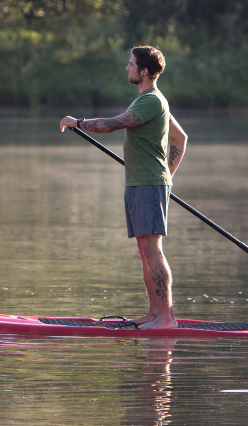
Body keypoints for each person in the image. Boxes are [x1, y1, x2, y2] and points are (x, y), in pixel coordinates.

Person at [60, 45, 187, 329]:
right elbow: (181, 138)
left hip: (148, 184)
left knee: (153, 250)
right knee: (145, 250)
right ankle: (154, 314)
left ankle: (166, 318)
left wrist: (78, 123)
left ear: (144, 71)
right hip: (142, 183)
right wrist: (167, 174)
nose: (126, 68)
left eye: (131, 65)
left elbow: (112, 125)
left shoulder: (151, 101)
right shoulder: (150, 100)